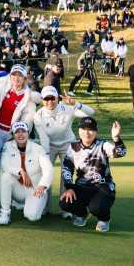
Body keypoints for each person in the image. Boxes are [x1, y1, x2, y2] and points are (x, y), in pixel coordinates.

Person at [0, 41, 41, 210]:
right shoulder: (3, 84)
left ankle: (18, 199)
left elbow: (27, 122)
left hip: (13, 136)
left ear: (24, 78)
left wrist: (19, 139)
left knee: (17, 168)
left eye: (19, 76)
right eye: (14, 74)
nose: (16, 78)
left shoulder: (28, 98)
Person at [33, 86, 94, 218]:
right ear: (42, 100)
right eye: (46, 99)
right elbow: (44, 139)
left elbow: (90, 112)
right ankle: (45, 208)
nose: (50, 102)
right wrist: (47, 163)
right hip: (49, 145)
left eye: (53, 98)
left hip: (68, 144)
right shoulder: (38, 116)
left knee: (66, 174)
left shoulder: (67, 108)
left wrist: (75, 104)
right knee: (45, 173)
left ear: (57, 98)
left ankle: (64, 209)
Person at [59, 117, 126, 232]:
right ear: (79, 130)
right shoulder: (73, 147)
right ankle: (83, 214)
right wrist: (69, 187)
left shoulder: (102, 145)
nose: (86, 133)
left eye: (90, 130)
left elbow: (120, 153)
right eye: (83, 129)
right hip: (82, 187)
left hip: (103, 188)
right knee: (65, 203)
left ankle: (104, 219)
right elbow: (67, 168)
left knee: (96, 208)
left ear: (96, 132)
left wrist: (116, 138)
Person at [0, 121, 54, 225]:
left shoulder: (38, 148)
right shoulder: (7, 146)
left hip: (35, 189)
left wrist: (42, 186)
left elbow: (48, 169)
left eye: (23, 131)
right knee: (6, 176)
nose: (20, 134)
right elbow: (5, 165)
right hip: (19, 189)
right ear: (13, 135)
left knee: (32, 216)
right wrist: (21, 171)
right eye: (17, 132)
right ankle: (5, 213)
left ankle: (34, 204)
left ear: (28, 133)